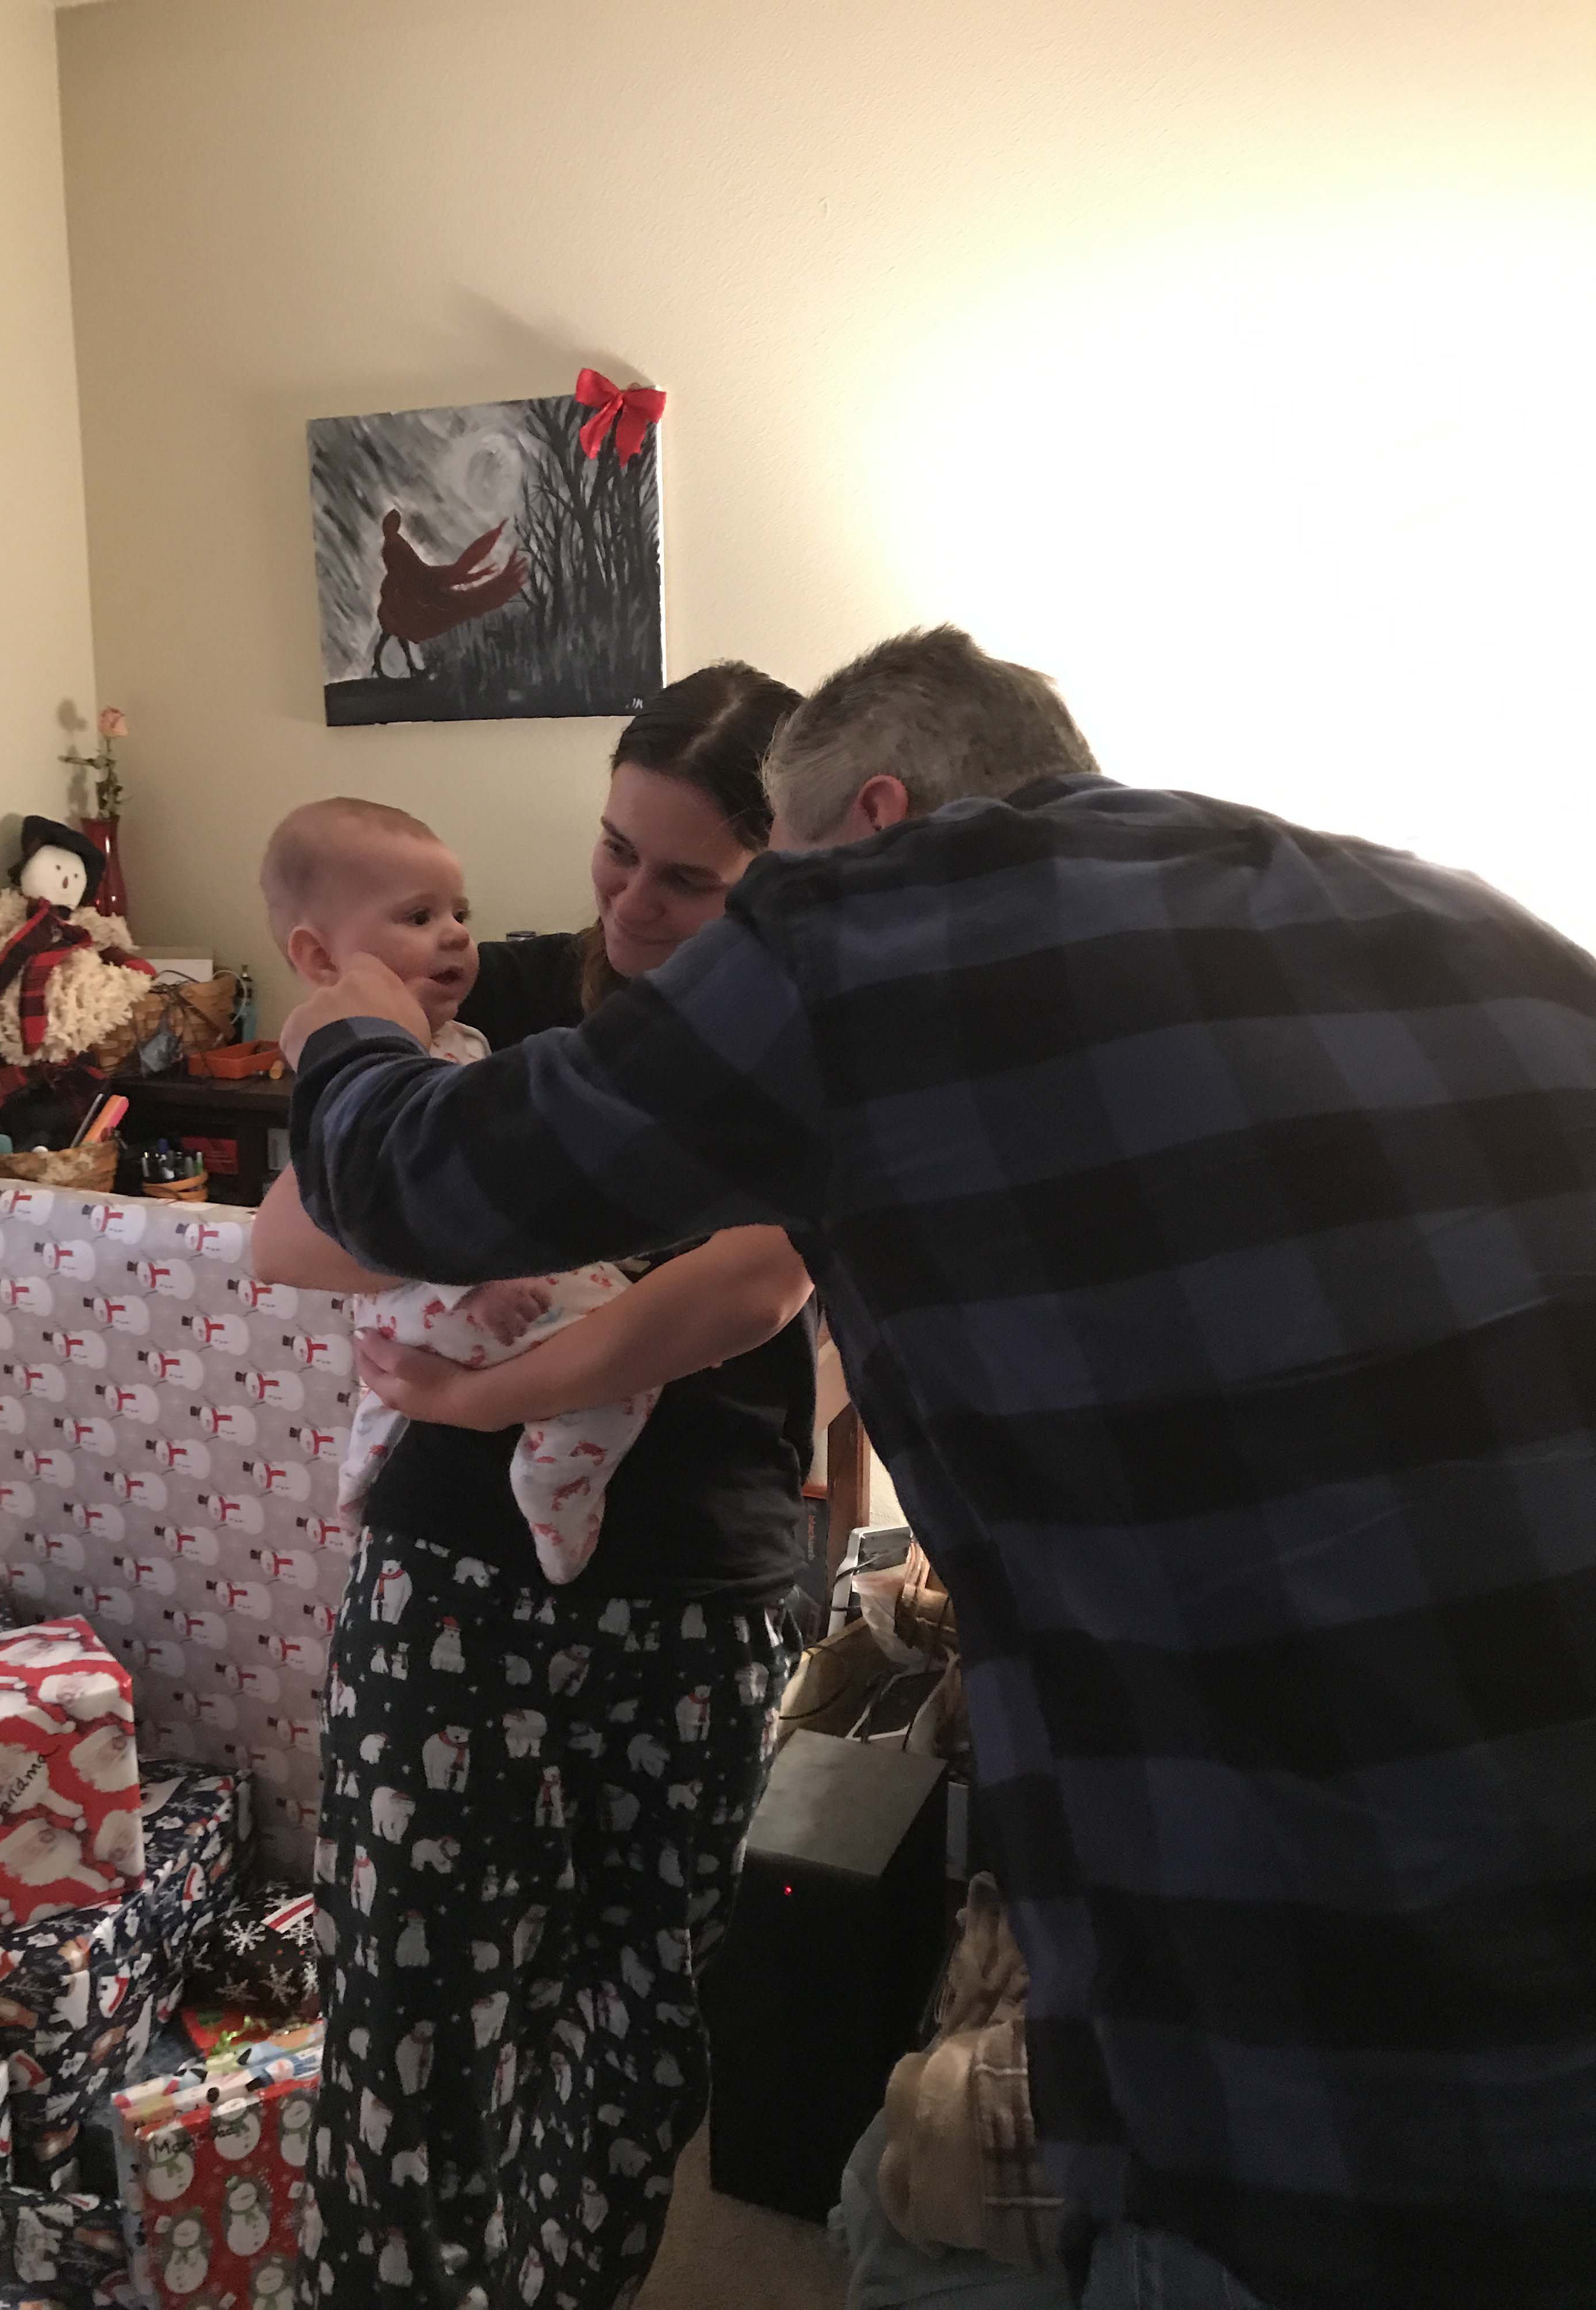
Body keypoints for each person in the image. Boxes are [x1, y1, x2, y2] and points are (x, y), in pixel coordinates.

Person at [282, 626, 1596, 2310]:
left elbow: (421, 1186)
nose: (663, 911)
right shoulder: (1463, 923)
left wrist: (343, 1025)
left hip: (1290, 2027)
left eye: (744, 877)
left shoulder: (864, 944)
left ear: (872, 824)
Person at [254, 663, 817, 2309]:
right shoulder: (492, 985)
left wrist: (485, 1382)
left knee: (639, 2012)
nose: (632, 906)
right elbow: (290, 1234)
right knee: (410, 2001)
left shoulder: (823, 1036)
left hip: (697, 1585)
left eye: (689, 879)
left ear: (779, 879)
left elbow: (747, 1286)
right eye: (615, 851)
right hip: (453, 1566)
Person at [256, 797, 658, 1581]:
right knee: (626, 1349)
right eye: (419, 916)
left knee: (618, 1315)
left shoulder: (458, 1038)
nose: (455, 934)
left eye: (459, 912)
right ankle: (554, 1486)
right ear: (320, 957)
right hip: (446, 1297)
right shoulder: (369, 1060)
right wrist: (479, 1274)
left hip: (448, 1306)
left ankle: (372, 1467)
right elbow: (335, 1216)